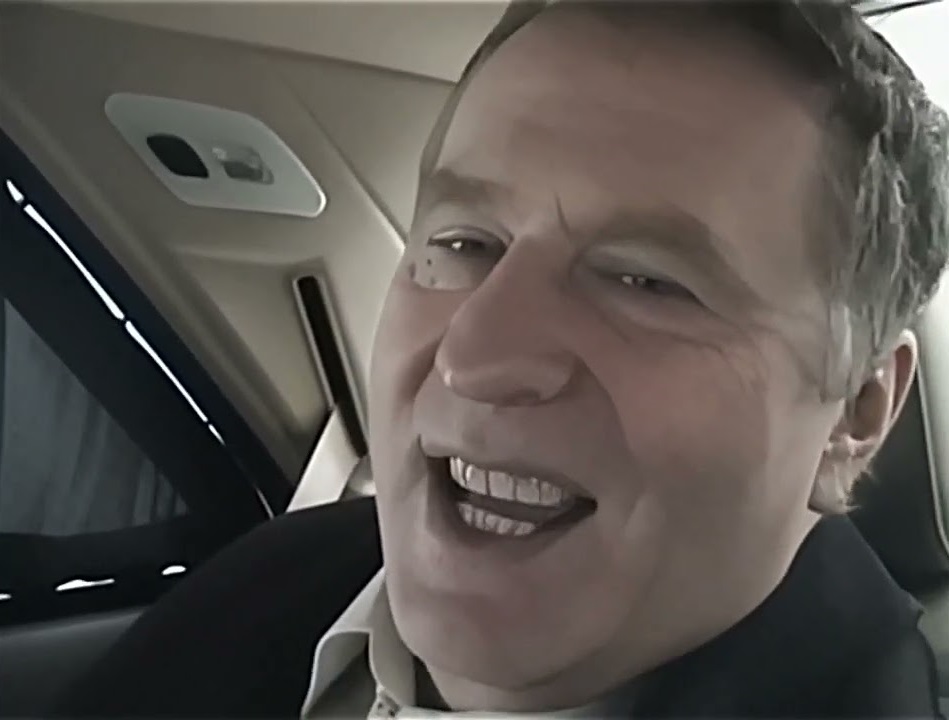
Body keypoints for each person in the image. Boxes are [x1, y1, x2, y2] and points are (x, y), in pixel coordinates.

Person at [55, 1, 948, 717]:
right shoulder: (271, 575)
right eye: (464, 242)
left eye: (646, 282)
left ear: (854, 415)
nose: (473, 356)